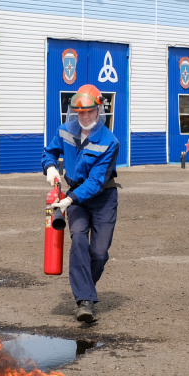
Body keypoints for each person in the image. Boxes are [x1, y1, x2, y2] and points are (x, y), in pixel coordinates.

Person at [42, 84, 120, 324]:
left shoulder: (110, 142)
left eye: (89, 111)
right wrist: (51, 168)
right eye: (79, 112)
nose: (84, 116)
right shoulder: (65, 130)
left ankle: (86, 288)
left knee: (99, 253)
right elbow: (49, 152)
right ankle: (84, 302)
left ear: (99, 110)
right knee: (78, 240)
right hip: (75, 196)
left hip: (102, 198)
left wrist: (68, 199)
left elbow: (97, 181)